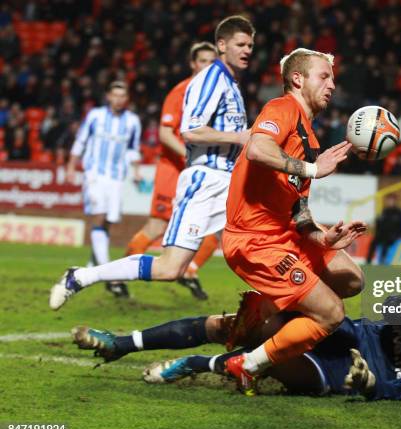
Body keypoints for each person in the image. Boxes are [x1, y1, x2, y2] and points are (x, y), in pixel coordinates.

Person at [49, 16, 254, 310]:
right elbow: (190, 130)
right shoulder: (210, 80)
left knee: (262, 238)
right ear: (222, 45)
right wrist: (240, 138)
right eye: (241, 44)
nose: (248, 50)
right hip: (205, 181)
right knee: (169, 268)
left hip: (229, 180)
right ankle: (83, 276)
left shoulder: (231, 83)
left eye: (250, 45)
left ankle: (291, 318)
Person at [220, 48, 367, 389]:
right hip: (255, 241)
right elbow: (257, 150)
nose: (332, 84)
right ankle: (249, 363)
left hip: (286, 234)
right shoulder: (281, 108)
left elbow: (298, 211)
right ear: (298, 79)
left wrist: (323, 238)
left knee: (351, 279)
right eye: (324, 76)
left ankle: (265, 309)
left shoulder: (309, 135)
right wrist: (314, 169)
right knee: (331, 313)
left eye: (332, 78)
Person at [70, 294, 401, 401]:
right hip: (348, 335)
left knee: (280, 360)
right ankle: (123, 344)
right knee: (247, 324)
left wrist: (372, 383)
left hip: (343, 373)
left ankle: (195, 363)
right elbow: (390, 308)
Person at [122, 41, 217, 300]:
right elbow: (165, 133)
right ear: (192, 64)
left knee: (211, 229)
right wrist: (189, 155)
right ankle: (118, 275)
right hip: (173, 169)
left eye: (212, 60)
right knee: (156, 226)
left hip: (199, 172)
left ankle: (190, 270)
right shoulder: (181, 91)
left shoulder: (216, 94)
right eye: (202, 61)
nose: (207, 65)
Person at [63, 80, 142, 298]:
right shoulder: (96, 116)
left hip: (116, 178)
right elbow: (81, 140)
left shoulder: (133, 121)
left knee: (106, 223)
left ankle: (90, 271)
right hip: (95, 175)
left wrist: (135, 170)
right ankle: (111, 278)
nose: (118, 99)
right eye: (114, 95)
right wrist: (71, 166)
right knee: (98, 218)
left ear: (127, 99)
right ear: (108, 96)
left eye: (122, 96)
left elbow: (133, 149)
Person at [366, 194, 401, 265]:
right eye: (388, 200)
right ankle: (368, 260)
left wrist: (400, 235)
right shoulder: (384, 211)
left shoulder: (399, 212)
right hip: (382, 233)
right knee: (373, 242)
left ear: (395, 201)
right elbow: (379, 223)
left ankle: (382, 260)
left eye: (391, 200)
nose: (389, 202)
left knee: (386, 243)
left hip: (392, 235)